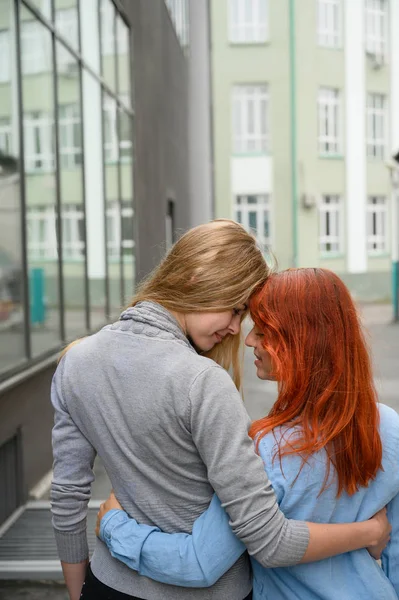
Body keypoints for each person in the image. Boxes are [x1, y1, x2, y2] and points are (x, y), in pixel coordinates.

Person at [50, 222, 390, 600]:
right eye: (234, 309)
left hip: (109, 583)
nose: (235, 330)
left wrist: (78, 591)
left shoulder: (75, 362)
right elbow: (267, 540)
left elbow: (67, 496)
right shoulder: (202, 381)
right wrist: (369, 532)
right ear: (197, 277)